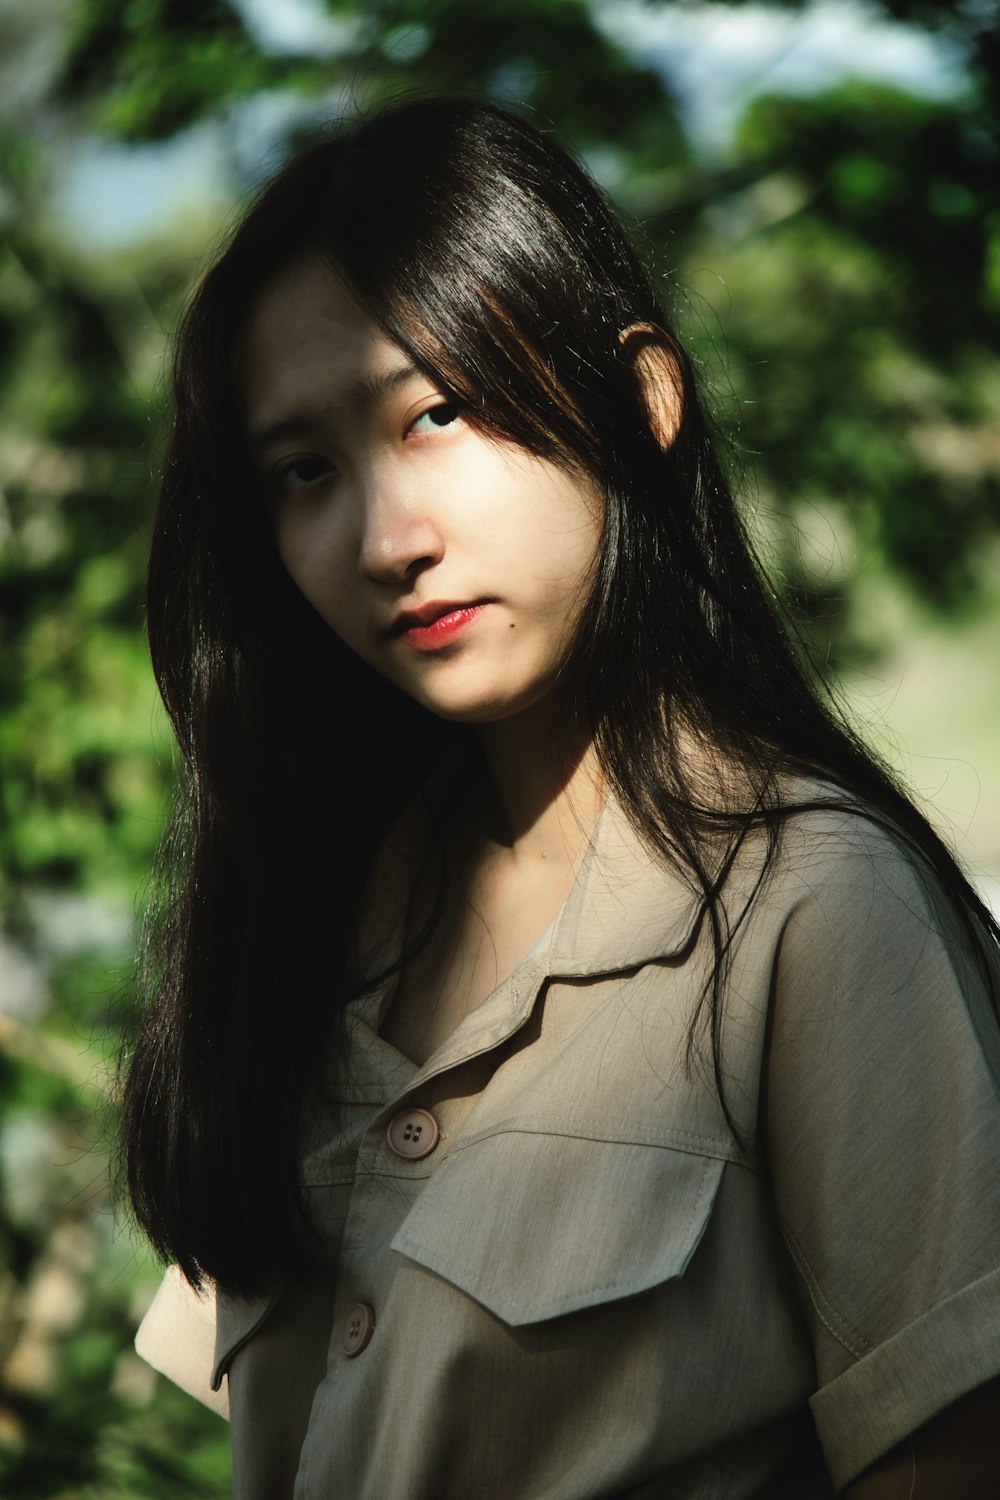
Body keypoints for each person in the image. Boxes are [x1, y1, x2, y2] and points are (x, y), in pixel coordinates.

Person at [124, 96, 1000, 1498]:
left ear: (641, 398)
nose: (385, 539)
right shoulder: (307, 916)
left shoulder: (812, 916)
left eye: (439, 412)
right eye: (304, 472)